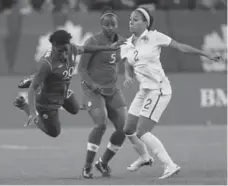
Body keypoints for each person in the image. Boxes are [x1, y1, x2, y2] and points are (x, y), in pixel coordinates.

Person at [121, 7, 222, 179]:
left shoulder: (154, 36)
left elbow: (180, 47)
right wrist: (128, 76)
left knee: (142, 131)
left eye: (136, 19)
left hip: (158, 89)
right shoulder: (126, 43)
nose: (131, 22)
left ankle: (170, 165)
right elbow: (128, 65)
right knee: (128, 128)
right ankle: (145, 157)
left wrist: (205, 54)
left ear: (146, 23)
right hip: (143, 90)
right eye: (131, 19)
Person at [14, 29, 122, 137]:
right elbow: (32, 88)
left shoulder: (72, 49)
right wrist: (32, 113)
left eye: (66, 49)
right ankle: (24, 106)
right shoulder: (46, 64)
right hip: (47, 101)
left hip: (62, 91)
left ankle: (40, 80)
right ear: (53, 46)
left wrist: (108, 47)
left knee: (75, 109)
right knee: (54, 132)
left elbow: (86, 48)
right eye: (60, 51)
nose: (64, 54)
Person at [78, 7, 127, 179]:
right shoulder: (92, 42)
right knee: (101, 124)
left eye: (113, 24)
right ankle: (87, 167)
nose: (110, 27)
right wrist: (92, 85)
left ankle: (103, 162)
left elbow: (128, 60)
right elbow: (82, 69)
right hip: (93, 90)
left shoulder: (122, 42)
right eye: (106, 25)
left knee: (124, 128)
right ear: (101, 25)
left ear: (117, 25)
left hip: (112, 89)